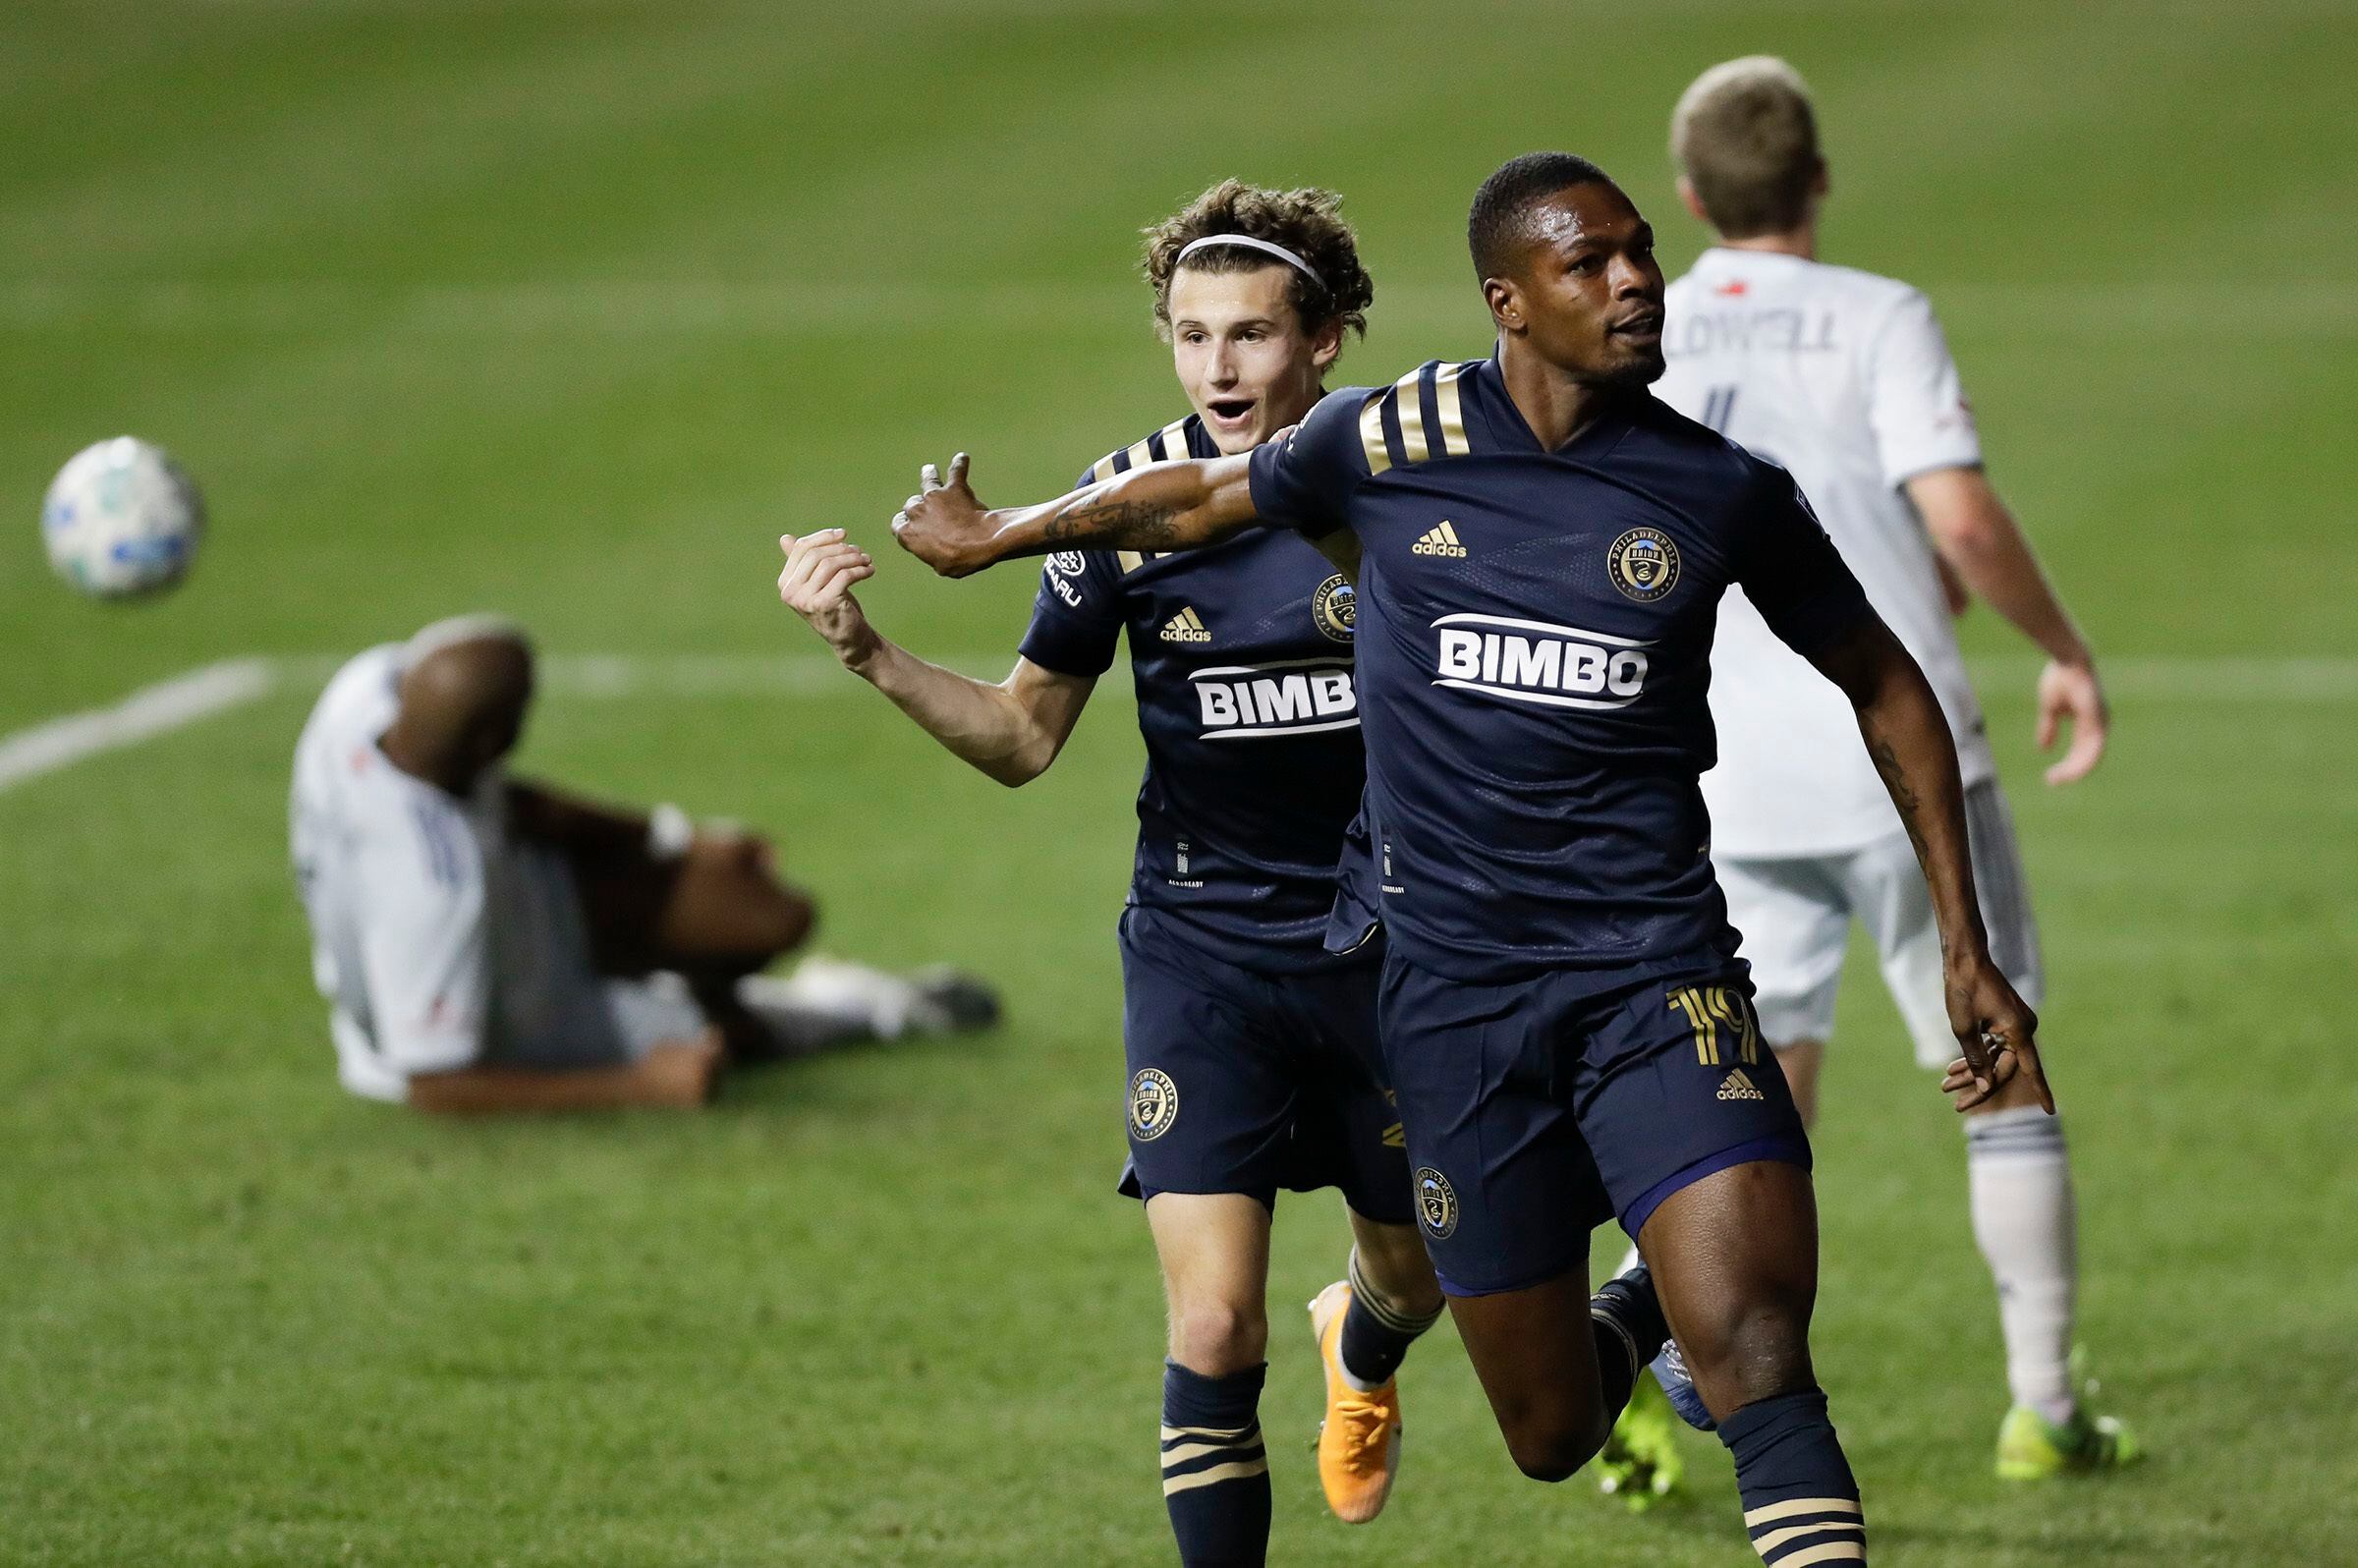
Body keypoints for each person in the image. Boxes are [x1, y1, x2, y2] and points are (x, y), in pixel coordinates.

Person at [889, 152, 2054, 1568]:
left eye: (1641, 251)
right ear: (1510, 301)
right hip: (1450, 1008)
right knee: (1550, 1432)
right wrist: (1001, 537)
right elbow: (1197, 498)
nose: (1637, 282)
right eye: (1591, 264)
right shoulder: (1390, 441)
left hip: (1656, 976)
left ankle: (1687, 1317)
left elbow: (1887, 683)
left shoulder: (1720, 488)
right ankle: (1628, 1314)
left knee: (1758, 1354)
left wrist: (1965, 943)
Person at [776, 183, 1444, 1564]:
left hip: (1390, 950)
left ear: (1324, 339)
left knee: (1415, 1277)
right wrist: (869, 654)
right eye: (1192, 336)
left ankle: (1364, 1345)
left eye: (1251, 334)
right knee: (1213, 1323)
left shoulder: (1400, 485)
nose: (1218, 367)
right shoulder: (1113, 506)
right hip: (1206, 952)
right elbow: (1024, 737)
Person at [1632, 54, 2135, 1481]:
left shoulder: (1642, 325)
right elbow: (1958, 518)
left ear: (1689, 197)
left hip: (1718, 768)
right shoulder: (1877, 315)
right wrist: (2064, 646)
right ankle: (2043, 1404)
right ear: (1819, 178)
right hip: (1897, 760)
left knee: (1739, 1104)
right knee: (1996, 1065)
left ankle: (1646, 1373)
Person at [290, 614, 994, 1113]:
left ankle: (681, 988)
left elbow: (518, 804)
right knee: (713, 1042)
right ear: (492, 740)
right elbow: (434, 1082)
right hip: (510, 1012)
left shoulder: (367, 694)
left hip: (525, 896)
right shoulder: (432, 890)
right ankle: (860, 1010)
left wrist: (672, 839)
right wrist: (641, 1086)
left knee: (760, 909)